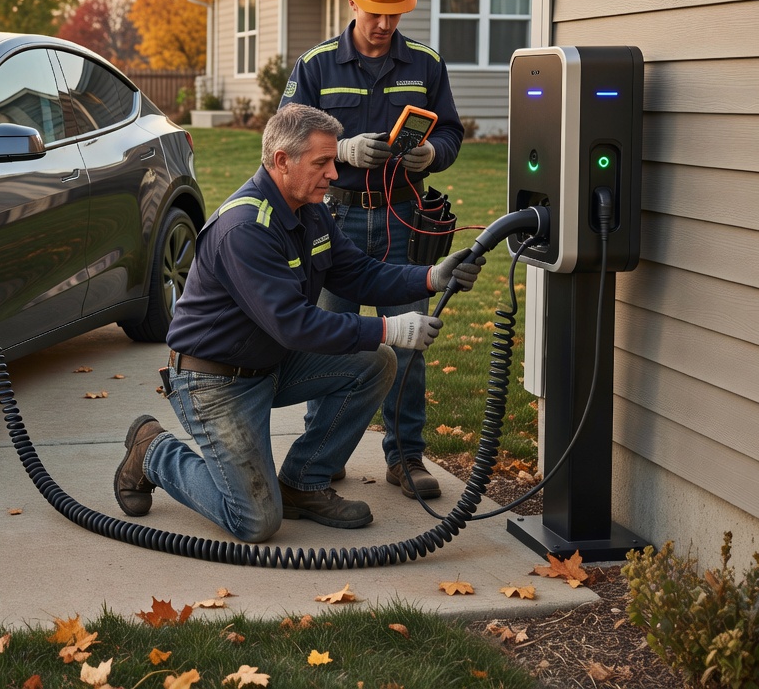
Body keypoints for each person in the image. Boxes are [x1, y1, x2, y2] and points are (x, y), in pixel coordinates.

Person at [112, 104, 483, 543]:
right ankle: (152, 450)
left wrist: (429, 276)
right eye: (322, 162)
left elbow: (358, 273)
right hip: (213, 381)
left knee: (374, 363)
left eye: (334, 160)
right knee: (255, 522)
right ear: (282, 161)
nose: (334, 172)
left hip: (270, 361)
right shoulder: (245, 228)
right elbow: (296, 325)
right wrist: (391, 328)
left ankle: (303, 483)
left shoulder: (311, 210)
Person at [280, 0, 464, 500]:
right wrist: (341, 153)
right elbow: (282, 143)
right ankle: (324, 451)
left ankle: (406, 458)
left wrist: (432, 154)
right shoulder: (315, 66)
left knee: (408, 340)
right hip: (333, 219)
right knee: (331, 339)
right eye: (374, 11)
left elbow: (452, 132)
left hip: (404, 221)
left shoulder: (426, 64)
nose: (384, 24)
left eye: (395, 13)